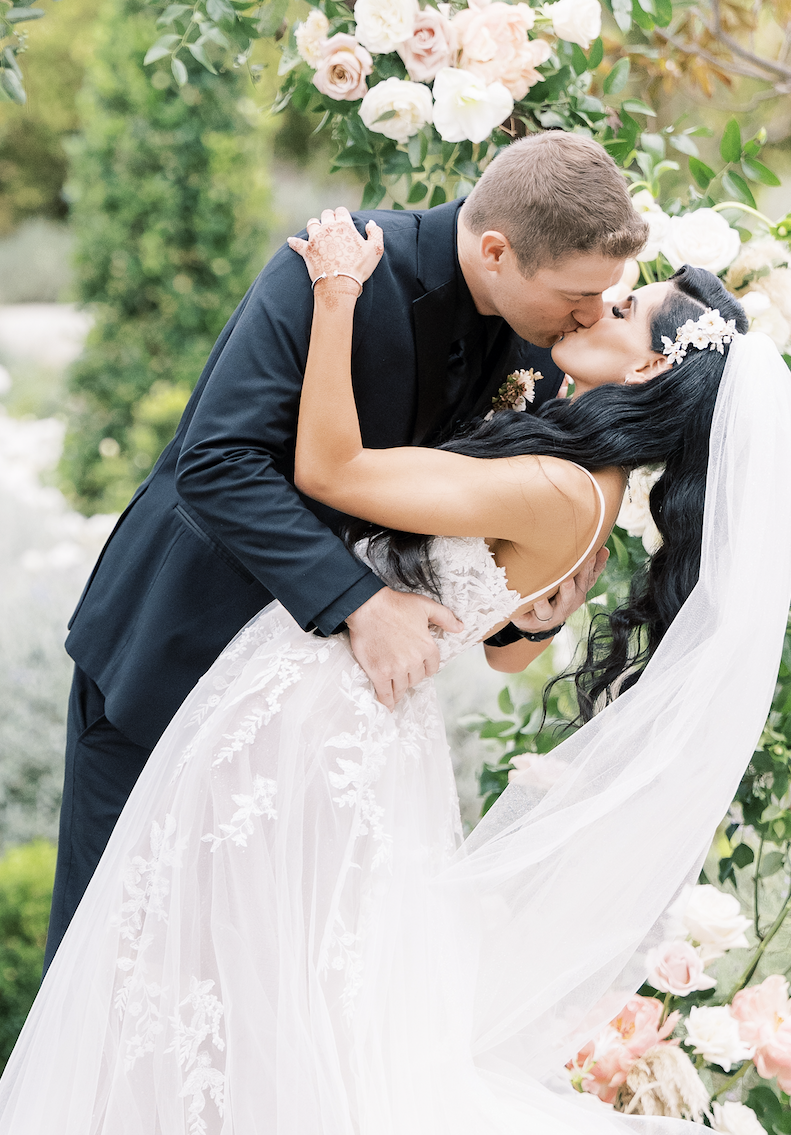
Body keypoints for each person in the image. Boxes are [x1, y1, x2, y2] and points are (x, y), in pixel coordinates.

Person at [1, 210, 791, 1135]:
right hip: (326, 717)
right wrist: (523, 607)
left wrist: (332, 300)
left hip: (316, 728)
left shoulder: (559, 484)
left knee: (230, 996)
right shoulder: (571, 460)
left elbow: (327, 467)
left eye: (627, 305)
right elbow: (508, 646)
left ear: (646, 368)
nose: (602, 303)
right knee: (245, 1001)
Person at [43, 131, 647, 970]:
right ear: (499, 251)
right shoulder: (335, 266)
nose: (589, 314)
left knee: (258, 989)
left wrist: (534, 615)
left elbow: (473, 548)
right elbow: (218, 464)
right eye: (577, 294)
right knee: (114, 966)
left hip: (315, 732)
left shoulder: (540, 346)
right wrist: (359, 605)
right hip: (175, 657)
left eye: (604, 297)